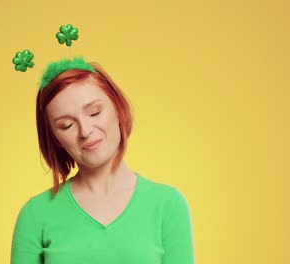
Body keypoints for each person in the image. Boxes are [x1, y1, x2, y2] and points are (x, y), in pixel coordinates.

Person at [11, 58, 194, 264]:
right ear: (55, 138)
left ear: (118, 109)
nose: (86, 131)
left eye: (94, 112)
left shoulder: (168, 205)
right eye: (67, 125)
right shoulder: (35, 215)